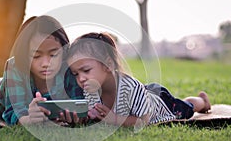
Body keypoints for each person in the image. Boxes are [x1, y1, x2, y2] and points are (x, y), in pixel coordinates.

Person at [63, 32, 211, 127]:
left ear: (108, 64)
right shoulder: (90, 89)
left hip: (159, 102)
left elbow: (142, 121)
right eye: (76, 74)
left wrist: (113, 118)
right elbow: (96, 114)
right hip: (143, 94)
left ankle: (202, 102)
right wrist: (90, 116)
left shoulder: (129, 87)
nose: (81, 79)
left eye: (86, 70)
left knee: (185, 107)